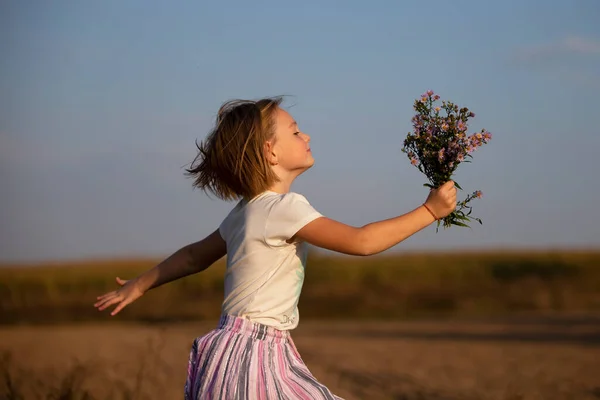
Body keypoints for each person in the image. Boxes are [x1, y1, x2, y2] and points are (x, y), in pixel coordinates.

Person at [94, 97, 457, 399]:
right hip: (253, 355)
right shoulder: (284, 208)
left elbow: (193, 256)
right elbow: (362, 242)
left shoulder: (243, 213)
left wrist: (139, 284)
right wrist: (430, 211)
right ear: (270, 152)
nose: (307, 134)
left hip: (236, 351)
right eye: (296, 131)